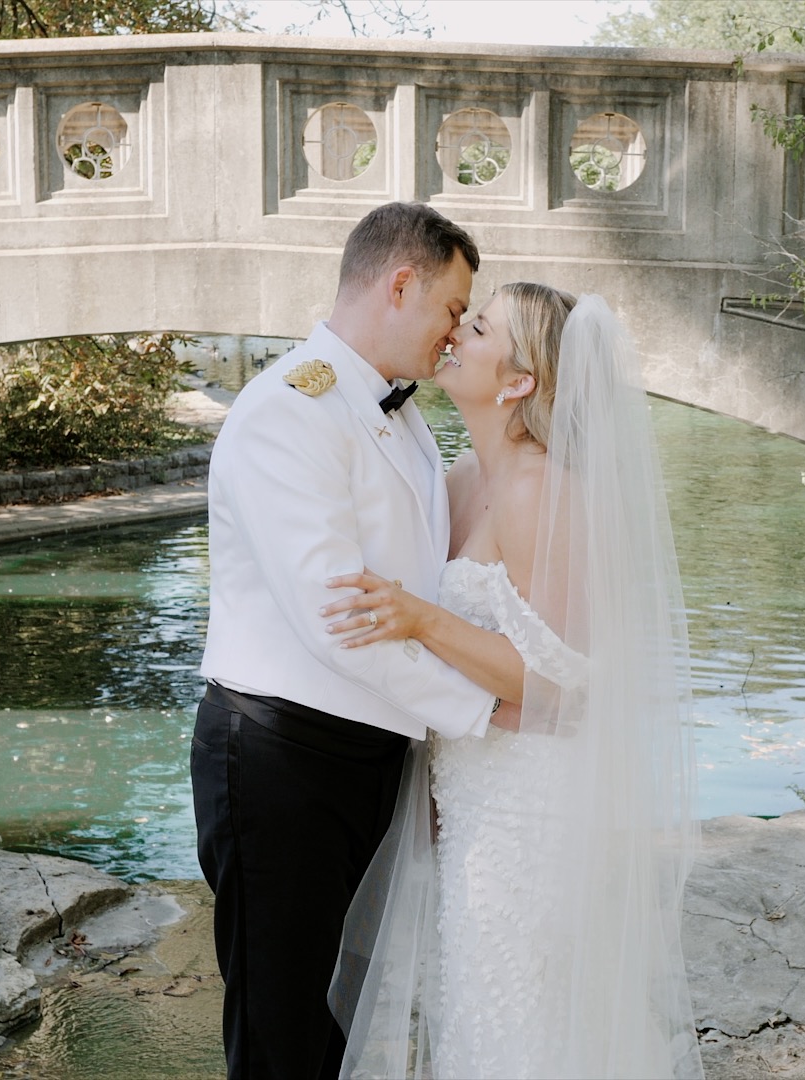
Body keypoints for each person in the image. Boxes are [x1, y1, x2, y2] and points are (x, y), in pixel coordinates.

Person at [320, 284, 704, 1078]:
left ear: (520, 381)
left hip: (533, 810)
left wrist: (420, 620)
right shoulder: (461, 481)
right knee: (472, 1013)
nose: (457, 329)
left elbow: (562, 683)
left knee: (518, 1023)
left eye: (480, 324)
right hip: (467, 799)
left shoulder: (544, 490)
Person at [193, 202, 508, 1080]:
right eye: (452, 310)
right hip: (279, 761)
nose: (454, 334)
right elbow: (342, 623)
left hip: (369, 760)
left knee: (342, 1018)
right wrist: (485, 712)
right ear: (400, 284)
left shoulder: (402, 418)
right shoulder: (287, 413)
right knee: (280, 1027)